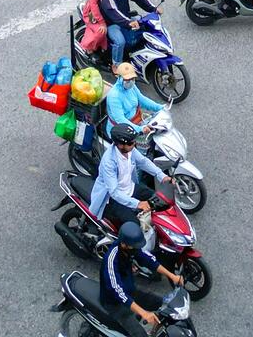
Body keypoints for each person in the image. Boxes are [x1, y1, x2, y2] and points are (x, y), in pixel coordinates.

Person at [90, 121, 165, 250]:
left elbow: (143, 162)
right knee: (134, 227)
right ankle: (126, 252)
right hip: (113, 200)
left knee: (159, 199)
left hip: (130, 188)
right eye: (131, 143)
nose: (134, 144)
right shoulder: (109, 162)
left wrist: (161, 176)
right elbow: (114, 192)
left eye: (133, 141)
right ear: (120, 145)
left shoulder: (129, 151)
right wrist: (138, 203)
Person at [99, 222, 184, 330]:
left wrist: (172, 276)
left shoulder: (130, 249)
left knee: (166, 305)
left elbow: (148, 260)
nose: (136, 249)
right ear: (124, 244)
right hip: (115, 304)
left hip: (130, 291)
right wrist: (144, 313)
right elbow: (117, 291)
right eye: (134, 247)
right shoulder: (111, 259)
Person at [98, 0, 159, 67]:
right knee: (120, 42)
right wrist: (128, 22)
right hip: (112, 23)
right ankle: (116, 65)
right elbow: (113, 11)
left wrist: (153, 9)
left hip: (125, 18)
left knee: (146, 23)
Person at [105, 60, 165, 132]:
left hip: (137, 120)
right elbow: (120, 120)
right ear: (120, 78)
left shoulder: (132, 86)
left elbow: (142, 100)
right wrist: (140, 129)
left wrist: (159, 107)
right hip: (122, 130)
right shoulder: (114, 96)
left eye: (132, 79)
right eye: (127, 79)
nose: (131, 81)